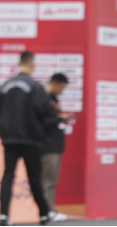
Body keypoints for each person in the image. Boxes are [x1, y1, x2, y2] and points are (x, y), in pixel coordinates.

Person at [0, 52, 55, 226]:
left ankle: (3, 216)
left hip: (10, 139)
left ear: (19, 63)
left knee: (8, 176)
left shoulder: (4, 85)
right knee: (34, 178)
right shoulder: (35, 86)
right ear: (32, 65)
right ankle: (44, 214)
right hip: (31, 139)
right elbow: (46, 112)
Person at [42, 73, 75, 223]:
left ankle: (48, 209)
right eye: (61, 87)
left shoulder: (53, 99)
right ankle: (46, 211)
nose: (62, 91)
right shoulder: (43, 98)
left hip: (54, 144)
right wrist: (61, 118)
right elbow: (42, 121)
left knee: (52, 179)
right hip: (47, 145)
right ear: (54, 84)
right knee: (48, 180)